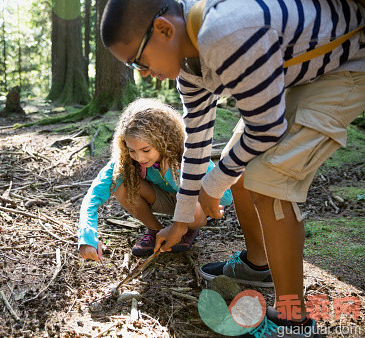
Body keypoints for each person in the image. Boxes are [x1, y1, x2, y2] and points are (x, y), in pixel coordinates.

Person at [100, 0, 364, 336]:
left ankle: (292, 321)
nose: (144, 72)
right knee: (238, 165)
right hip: (298, 73)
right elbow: (197, 138)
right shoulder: (187, 64)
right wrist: (180, 221)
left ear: (164, 29)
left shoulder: (225, 31)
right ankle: (259, 263)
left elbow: (266, 129)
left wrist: (211, 187)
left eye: (139, 61)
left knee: (269, 177)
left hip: (347, 64)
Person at [78, 98, 232, 260]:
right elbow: (93, 196)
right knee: (121, 184)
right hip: (164, 200)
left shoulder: (189, 152)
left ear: (164, 140)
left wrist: (173, 176)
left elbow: (226, 197)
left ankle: (185, 229)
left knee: (194, 210)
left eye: (146, 150)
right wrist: (87, 238)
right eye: (132, 150)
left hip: (195, 207)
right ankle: (156, 231)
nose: (139, 158)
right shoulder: (127, 160)